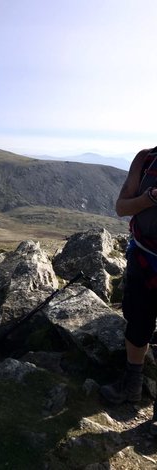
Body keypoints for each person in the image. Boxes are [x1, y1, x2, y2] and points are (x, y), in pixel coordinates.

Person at [101, 147, 157, 404]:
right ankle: (132, 386)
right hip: (143, 257)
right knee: (138, 321)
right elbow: (122, 207)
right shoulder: (146, 159)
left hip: (144, 257)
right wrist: (150, 198)